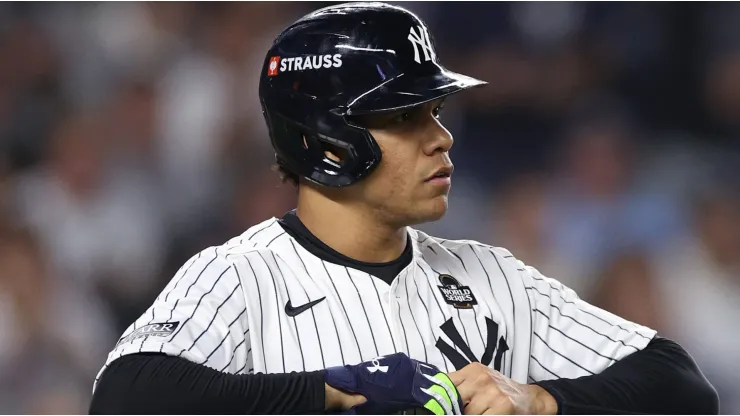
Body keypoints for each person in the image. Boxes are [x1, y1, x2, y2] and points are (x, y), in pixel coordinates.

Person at [89, 3, 718, 414]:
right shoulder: (239, 274)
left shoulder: (492, 274)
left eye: (435, 112)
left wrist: (538, 400)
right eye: (402, 118)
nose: (440, 137)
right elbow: (126, 397)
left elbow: (682, 388)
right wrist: (332, 390)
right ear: (325, 138)